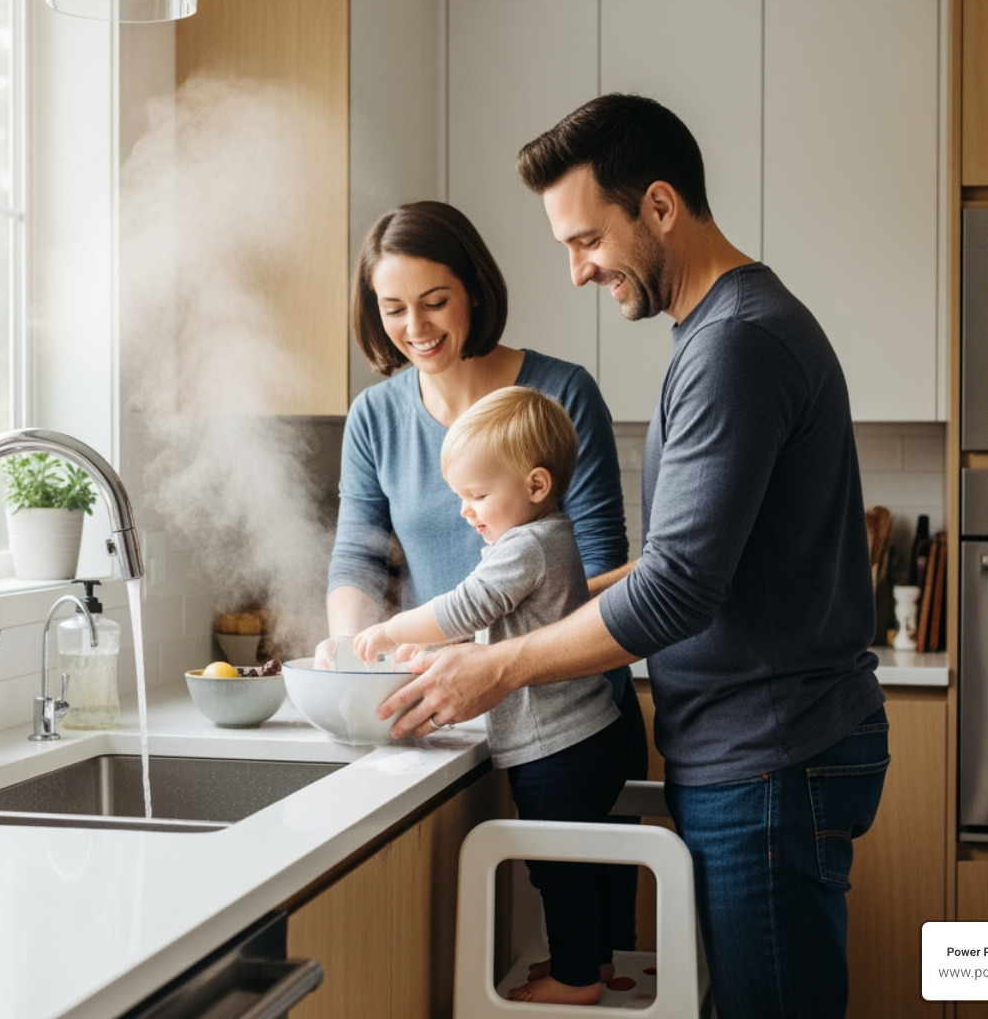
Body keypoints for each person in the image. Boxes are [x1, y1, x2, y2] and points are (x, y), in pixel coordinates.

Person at [376, 95, 889, 1019]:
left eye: (586, 241)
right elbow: (680, 565)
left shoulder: (735, 342)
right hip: (763, 751)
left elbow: (678, 591)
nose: (576, 273)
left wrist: (495, 667)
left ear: (658, 207)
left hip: (772, 754)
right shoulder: (718, 331)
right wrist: (542, 609)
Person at [324, 199, 650, 956]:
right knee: (487, 956)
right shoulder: (374, 416)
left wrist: (496, 652)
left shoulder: (560, 394)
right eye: (393, 307)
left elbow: (601, 571)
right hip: (448, 722)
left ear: (474, 288)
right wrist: (353, 657)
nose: (417, 327)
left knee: (587, 945)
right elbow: (357, 561)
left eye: (435, 301)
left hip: (566, 718)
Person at [354, 385, 628, 1005]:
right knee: (584, 858)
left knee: (554, 864)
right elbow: (499, 628)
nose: (465, 512)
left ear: (535, 485)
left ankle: (577, 978)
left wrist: (391, 628)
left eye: (477, 496)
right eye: (461, 497)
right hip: (591, 733)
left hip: (558, 745)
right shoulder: (547, 536)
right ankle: (596, 963)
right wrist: (429, 656)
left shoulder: (526, 545)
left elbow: (466, 607)